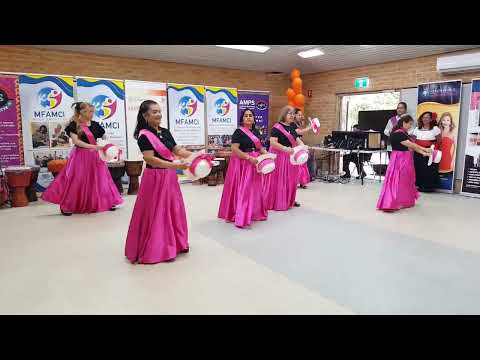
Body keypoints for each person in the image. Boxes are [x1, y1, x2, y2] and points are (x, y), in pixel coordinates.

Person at [125, 100, 192, 264]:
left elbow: (177, 150)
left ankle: (175, 242)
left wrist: (195, 156)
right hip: (155, 177)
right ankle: (158, 246)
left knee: (172, 209)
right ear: (145, 115)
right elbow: (150, 159)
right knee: (156, 212)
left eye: (159, 111)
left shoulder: (165, 131)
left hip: (169, 177)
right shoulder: (144, 135)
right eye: (154, 112)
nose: (159, 114)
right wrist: (174, 165)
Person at [41, 102, 123, 215]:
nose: (91, 114)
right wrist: (95, 146)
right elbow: (76, 142)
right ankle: (67, 205)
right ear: (81, 112)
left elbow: (103, 137)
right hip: (81, 156)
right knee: (77, 180)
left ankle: (106, 201)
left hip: (96, 156)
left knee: (100, 179)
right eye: (88, 112)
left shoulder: (95, 124)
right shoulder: (74, 125)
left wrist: (107, 145)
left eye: (92, 112)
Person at [218, 109, 268, 228]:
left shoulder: (256, 131)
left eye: (251, 115)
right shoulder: (238, 132)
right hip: (243, 162)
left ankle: (253, 212)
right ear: (242, 119)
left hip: (255, 161)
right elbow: (235, 149)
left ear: (254, 118)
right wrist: (247, 157)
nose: (249, 117)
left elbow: (260, 148)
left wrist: (267, 155)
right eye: (246, 116)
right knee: (245, 189)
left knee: (255, 188)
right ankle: (242, 215)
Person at [377, 115, 432, 212]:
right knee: (397, 181)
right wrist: (424, 149)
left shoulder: (403, 133)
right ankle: (391, 202)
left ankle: (402, 201)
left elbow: (411, 148)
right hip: (400, 160)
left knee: (405, 181)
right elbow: (411, 145)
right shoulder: (398, 134)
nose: (410, 126)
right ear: (404, 122)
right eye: (410, 124)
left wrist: (423, 152)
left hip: (405, 159)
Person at [263, 105, 304, 210]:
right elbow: (273, 142)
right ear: (284, 114)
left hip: (290, 156)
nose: (292, 115)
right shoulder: (277, 127)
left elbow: (297, 140)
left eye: (293, 113)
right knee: (279, 179)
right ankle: (277, 201)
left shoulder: (292, 126)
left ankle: (289, 199)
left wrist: (303, 146)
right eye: (289, 113)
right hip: (279, 156)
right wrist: (285, 148)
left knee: (290, 179)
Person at [411, 111, 442, 192]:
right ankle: (419, 185)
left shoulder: (435, 129)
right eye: (423, 117)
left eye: (427, 117)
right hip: (418, 151)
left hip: (430, 151)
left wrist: (432, 148)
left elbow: (439, 141)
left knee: (429, 169)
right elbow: (413, 141)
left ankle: (428, 187)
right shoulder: (417, 129)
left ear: (431, 119)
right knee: (418, 168)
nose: (425, 119)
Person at [291, 108, 313, 188]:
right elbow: (299, 132)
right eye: (299, 115)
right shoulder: (291, 124)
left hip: (299, 144)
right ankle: (296, 181)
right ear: (294, 115)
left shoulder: (298, 124)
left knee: (302, 163)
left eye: (301, 115)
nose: (301, 116)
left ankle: (302, 182)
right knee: (297, 164)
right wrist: (309, 127)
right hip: (294, 146)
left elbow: (301, 132)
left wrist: (310, 125)